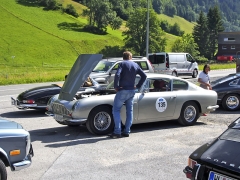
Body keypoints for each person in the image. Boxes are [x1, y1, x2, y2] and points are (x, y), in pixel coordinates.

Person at [109, 51, 147, 138]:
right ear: (130, 57)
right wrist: (137, 86)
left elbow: (117, 74)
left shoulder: (122, 64)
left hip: (123, 90)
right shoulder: (135, 65)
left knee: (116, 110)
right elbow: (144, 76)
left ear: (123, 57)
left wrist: (116, 86)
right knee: (129, 111)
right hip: (132, 91)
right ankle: (127, 131)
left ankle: (117, 132)